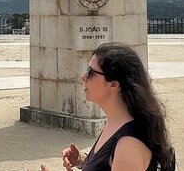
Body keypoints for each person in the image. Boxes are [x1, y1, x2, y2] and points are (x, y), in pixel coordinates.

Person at [40, 42, 175, 171]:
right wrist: (83, 161)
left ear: (113, 85)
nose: (83, 77)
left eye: (91, 72)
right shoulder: (117, 121)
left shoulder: (128, 146)